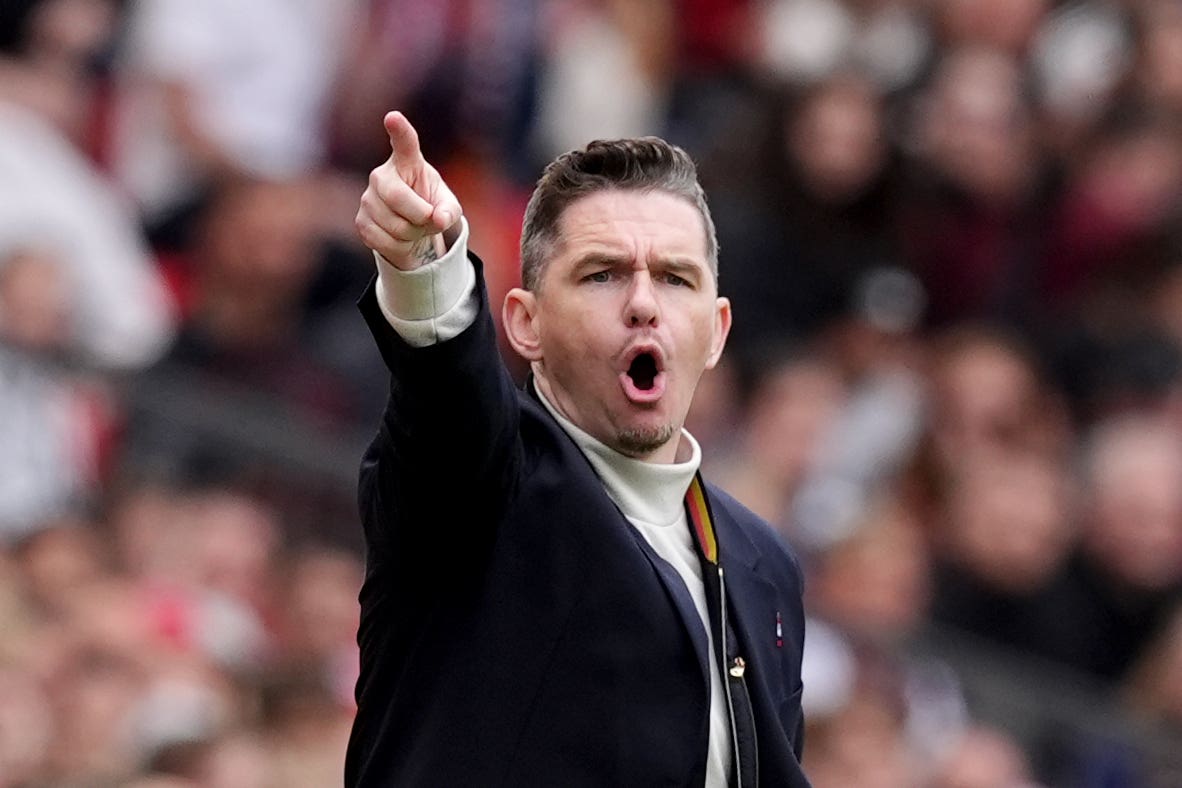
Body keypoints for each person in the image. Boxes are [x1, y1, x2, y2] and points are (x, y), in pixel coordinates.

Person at [348, 111, 810, 787]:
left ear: (715, 332)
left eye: (677, 278)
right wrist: (425, 264)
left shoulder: (764, 564)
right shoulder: (487, 482)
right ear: (526, 324)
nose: (645, 303)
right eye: (602, 275)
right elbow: (447, 399)